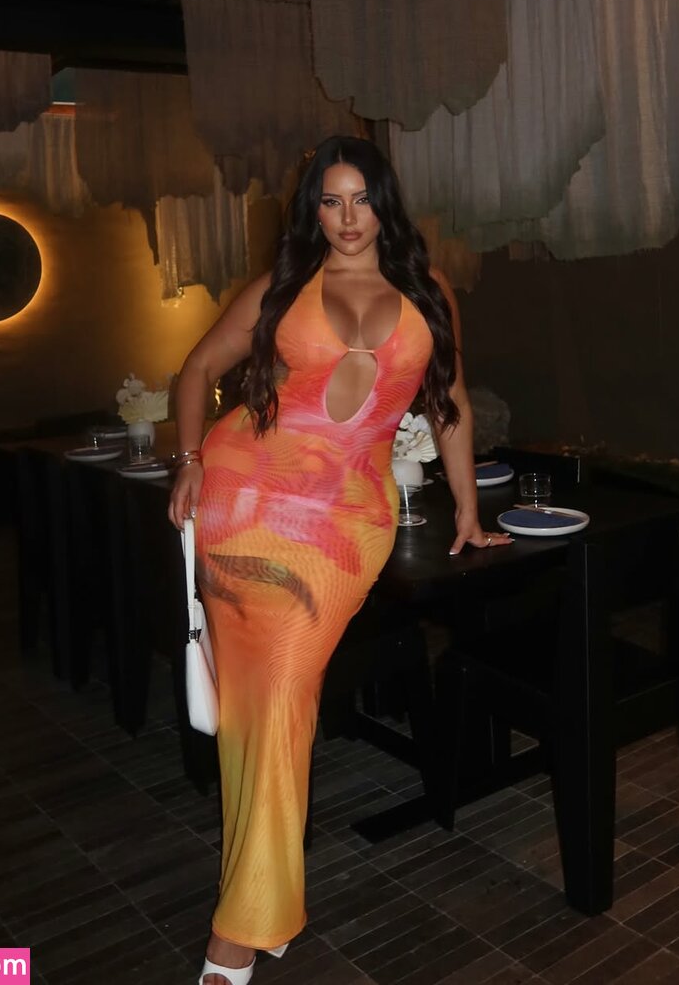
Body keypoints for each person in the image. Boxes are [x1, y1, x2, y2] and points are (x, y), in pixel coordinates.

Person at [168, 136, 512, 985]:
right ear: (312, 210)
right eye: (331, 201)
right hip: (244, 503)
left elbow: (450, 403)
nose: (347, 217)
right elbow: (197, 368)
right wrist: (188, 460)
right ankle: (243, 926)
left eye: (360, 199)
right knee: (267, 705)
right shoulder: (282, 289)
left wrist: (469, 511)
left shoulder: (427, 293)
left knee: (280, 693)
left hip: (345, 524)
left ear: (382, 204)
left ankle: (262, 900)